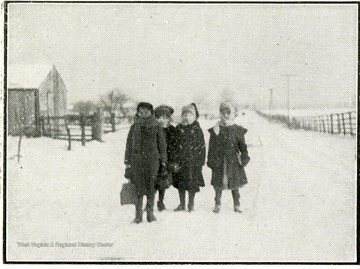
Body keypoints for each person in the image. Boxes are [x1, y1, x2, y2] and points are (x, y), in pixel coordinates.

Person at [124, 102, 167, 223]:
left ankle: (150, 214)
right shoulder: (134, 127)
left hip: (152, 162)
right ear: (137, 112)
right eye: (141, 112)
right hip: (137, 161)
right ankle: (138, 215)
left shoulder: (157, 126)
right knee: (138, 187)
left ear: (151, 113)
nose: (143, 114)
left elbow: (162, 145)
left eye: (146, 112)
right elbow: (128, 145)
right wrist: (127, 162)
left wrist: (163, 161)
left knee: (151, 188)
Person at [207, 102, 250, 213]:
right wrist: (210, 160)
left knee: (235, 184)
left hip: (233, 161)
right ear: (220, 114)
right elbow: (211, 147)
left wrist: (244, 158)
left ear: (233, 114)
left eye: (228, 113)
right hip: (219, 161)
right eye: (223, 113)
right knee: (218, 184)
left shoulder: (237, 130)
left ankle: (237, 204)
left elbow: (243, 147)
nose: (225, 115)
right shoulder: (215, 130)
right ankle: (217, 203)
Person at [173, 103, 206, 212]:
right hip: (180, 161)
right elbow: (174, 145)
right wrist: (174, 160)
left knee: (192, 184)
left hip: (193, 162)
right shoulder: (178, 128)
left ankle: (191, 204)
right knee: (181, 184)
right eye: (185, 115)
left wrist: (201, 162)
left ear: (195, 117)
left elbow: (202, 146)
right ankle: (182, 203)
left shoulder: (197, 129)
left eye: (190, 115)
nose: (187, 117)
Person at [154, 105, 178, 211]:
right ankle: (150, 202)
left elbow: (175, 145)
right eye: (160, 117)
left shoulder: (172, 130)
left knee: (162, 182)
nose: (163, 120)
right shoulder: (153, 129)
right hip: (154, 159)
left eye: (166, 117)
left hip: (166, 159)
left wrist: (172, 160)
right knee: (152, 182)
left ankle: (161, 201)